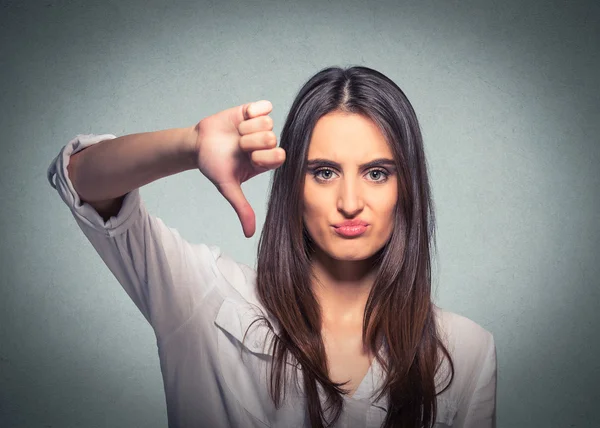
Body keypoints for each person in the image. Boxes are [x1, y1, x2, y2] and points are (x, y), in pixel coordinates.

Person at [47, 66, 496, 428]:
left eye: (377, 173)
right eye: (324, 172)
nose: (350, 203)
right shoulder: (203, 297)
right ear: (292, 185)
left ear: (407, 188)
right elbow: (79, 180)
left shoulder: (466, 351)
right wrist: (191, 144)